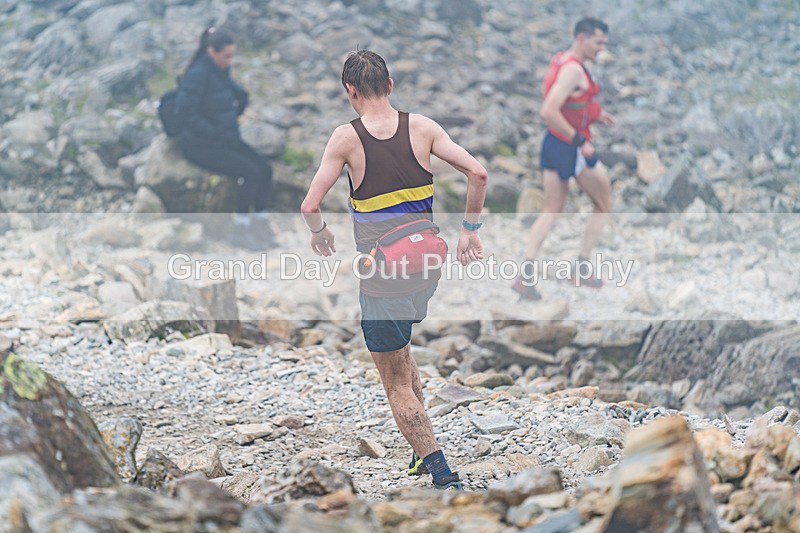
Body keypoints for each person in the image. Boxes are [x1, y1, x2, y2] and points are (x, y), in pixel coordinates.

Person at [301, 50, 487, 490]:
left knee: (394, 382)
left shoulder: (345, 139)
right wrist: (469, 232)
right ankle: (420, 455)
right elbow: (477, 173)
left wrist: (319, 232)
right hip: (427, 265)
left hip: (383, 277)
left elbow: (309, 205)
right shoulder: (422, 127)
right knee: (401, 351)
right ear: (389, 85)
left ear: (350, 92)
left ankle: (442, 472)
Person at [514, 17, 615, 300]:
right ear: (581, 38)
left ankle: (526, 275)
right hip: (572, 147)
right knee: (604, 203)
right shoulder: (573, 70)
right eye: (598, 42)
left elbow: (572, 103)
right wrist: (580, 140)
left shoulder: (562, 60)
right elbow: (548, 110)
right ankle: (581, 267)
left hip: (553, 143)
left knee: (551, 210)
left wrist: (597, 115)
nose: (602, 49)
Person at [175, 26, 273, 249]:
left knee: (265, 169)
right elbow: (184, 113)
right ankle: (240, 230)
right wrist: (212, 131)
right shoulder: (197, 74)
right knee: (250, 172)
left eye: (232, 55)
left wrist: (241, 100)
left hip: (224, 139)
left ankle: (260, 224)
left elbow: (227, 99)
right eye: (226, 55)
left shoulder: (219, 71)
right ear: (211, 51)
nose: (229, 60)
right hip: (200, 145)